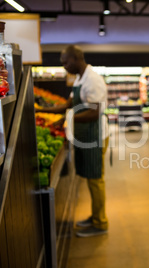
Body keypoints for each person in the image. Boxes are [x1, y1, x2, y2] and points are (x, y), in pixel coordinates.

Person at [36, 45, 109, 237]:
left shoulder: (93, 80)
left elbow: (94, 112)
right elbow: (69, 104)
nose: (64, 66)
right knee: (91, 178)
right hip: (86, 135)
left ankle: (100, 223)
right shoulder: (79, 78)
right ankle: (95, 217)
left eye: (65, 62)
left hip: (96, 135)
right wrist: (40, 110)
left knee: (95, 180)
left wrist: (67, 119)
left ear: (77, 59)